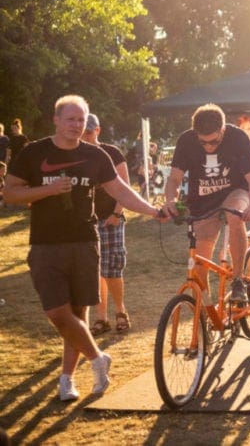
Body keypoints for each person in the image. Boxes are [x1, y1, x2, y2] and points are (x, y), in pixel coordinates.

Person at [4, 95, 166, 401]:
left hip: (84, 242)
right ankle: (97, 358)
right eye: (70, 119)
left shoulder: (95, 155)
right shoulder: (34, 152)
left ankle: (67, 380)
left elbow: (121, 191)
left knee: (78, 312)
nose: (76, 125)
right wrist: (48, 189)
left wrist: (153, 211)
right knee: (57, 312)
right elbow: (10, 193)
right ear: (56, 120)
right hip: (45, 244)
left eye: (81, 120)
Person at [163, 104, 250, 306]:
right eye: (203, 142)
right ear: (195, 133)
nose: (208, 147)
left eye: (214, 141)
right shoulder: (186, 140)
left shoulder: (238, 138)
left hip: (235, 191)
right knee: (200, 267)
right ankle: (206, 312)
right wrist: (171, 200)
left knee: (234, 214)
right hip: (202, 201)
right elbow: (174, 178)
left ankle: (238, 280)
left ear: (223, 130)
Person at [81, 114, 132, 335]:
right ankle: (101, 317)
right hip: (87, 220)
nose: (85, 136)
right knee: (95, 271)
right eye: (82, 132)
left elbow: (125, 187)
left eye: (89, 132)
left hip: (110, 218)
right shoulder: (76, 155)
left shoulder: (112, 152)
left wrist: (117, 213)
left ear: (97, 131)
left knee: (112, 269)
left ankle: (120, 311)